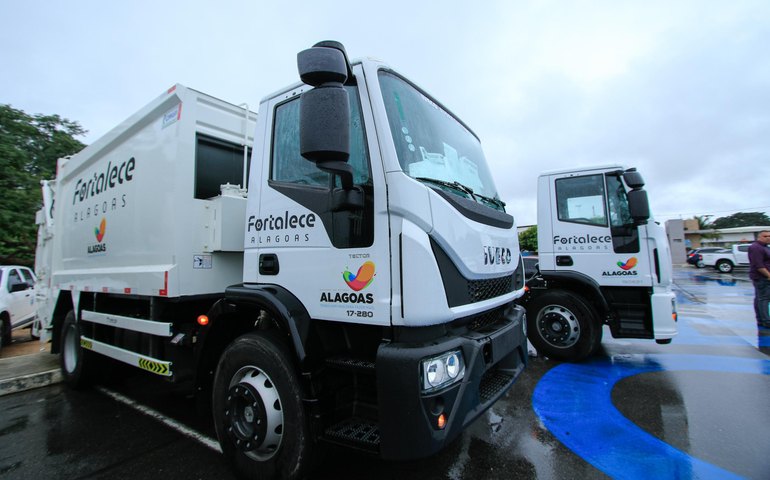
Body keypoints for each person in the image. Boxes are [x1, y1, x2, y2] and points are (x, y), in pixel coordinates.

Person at [748, 230, 770, 328]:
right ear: (759, 237)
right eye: (765, 236)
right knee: (763, 299)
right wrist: (768, 275)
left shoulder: (765, 247)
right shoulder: (756, 247)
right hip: (761, 277)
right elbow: (759, 265)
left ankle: (762, 320)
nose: (768, 238)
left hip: (763, 277)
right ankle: (765, 321)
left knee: (760, 298)